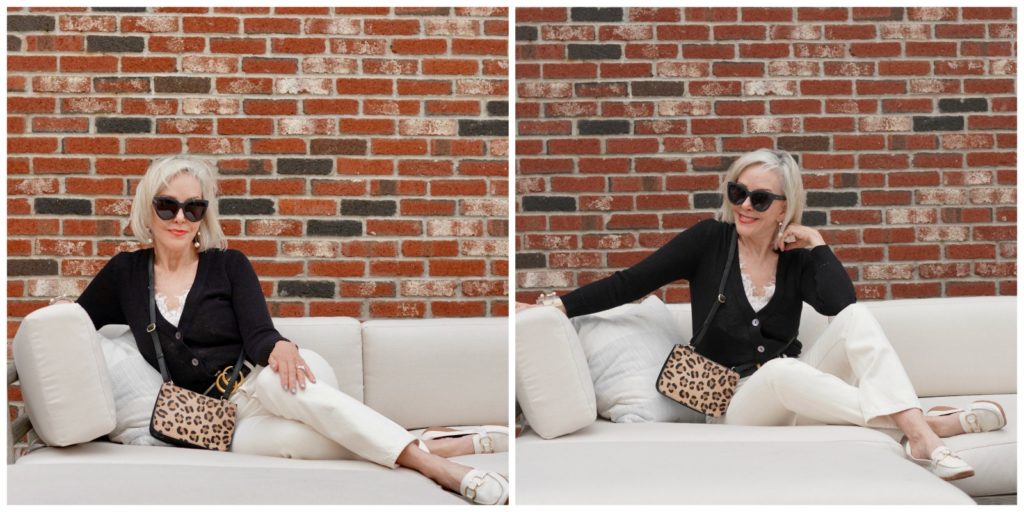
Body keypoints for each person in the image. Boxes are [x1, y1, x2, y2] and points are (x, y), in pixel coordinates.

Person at [517, 148, 1006, 482]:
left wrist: (816, 244)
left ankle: (914, 429)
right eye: (737, 192)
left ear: (784, 208)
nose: (745, 206)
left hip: (793, 391)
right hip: (732, 405)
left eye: (760, 199)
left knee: (853, 323)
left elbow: (841, 305)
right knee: (784, 371)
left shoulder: (795, 255)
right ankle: (923, 428)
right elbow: (630, 283)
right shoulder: (709, 241)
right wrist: (553, 306)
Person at [55, 156, 508, 505]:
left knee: (290, 385)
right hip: (217, 423)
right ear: (147, 208)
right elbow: (73, 329)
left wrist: (281, 346)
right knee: (307, 442)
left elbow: (258, 332)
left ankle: (441, 471)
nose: (180, 218)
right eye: (168, 205)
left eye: (193, 208)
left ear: (204, 215)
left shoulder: (228, 264)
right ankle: (436, 445)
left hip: (265, 381)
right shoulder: (125, 273)